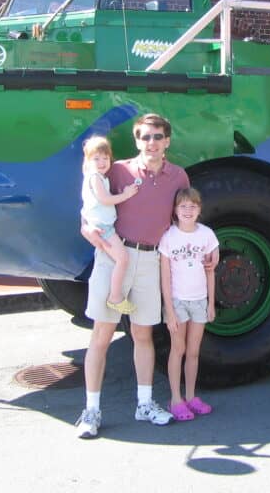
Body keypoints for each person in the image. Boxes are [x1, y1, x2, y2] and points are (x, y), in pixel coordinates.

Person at [75, 113, 216, 438]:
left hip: (152, 261)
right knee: (101, 335)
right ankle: (91, 411)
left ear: (167, 141)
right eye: (145, 137)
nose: (151, 143)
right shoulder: (118, 170)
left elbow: (184, 222)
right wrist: (85, 228)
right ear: (137, 141)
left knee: (143, 335)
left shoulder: (178, 178)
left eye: (157, 137)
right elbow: (91, 205)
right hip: (115, 257)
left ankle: (145, 404)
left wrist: (210, 248)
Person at [160, 187, 218, 421]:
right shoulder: (169, 237)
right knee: (178, 349)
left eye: (193, 206)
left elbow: (210, 271)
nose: (188, 210)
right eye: (183, 206)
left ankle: (191, 396)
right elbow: (164, 277)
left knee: (193, 351)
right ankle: (176, 399)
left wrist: (211, 303)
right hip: (178, 302)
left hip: (199, 301)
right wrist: (170, 311)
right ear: (175, 210)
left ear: (199, 210)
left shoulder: (206, 235)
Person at [80, 136, 139, 314]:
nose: (102, 162)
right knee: (123, 259)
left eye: (105, 158)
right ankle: (115, 297)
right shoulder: (95, 178)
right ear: (88, 160)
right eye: (96, 158)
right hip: (103, 227)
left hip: (102, 225)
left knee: (119, 259)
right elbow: (105, 200)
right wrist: (127, 194)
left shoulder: (97, 177)